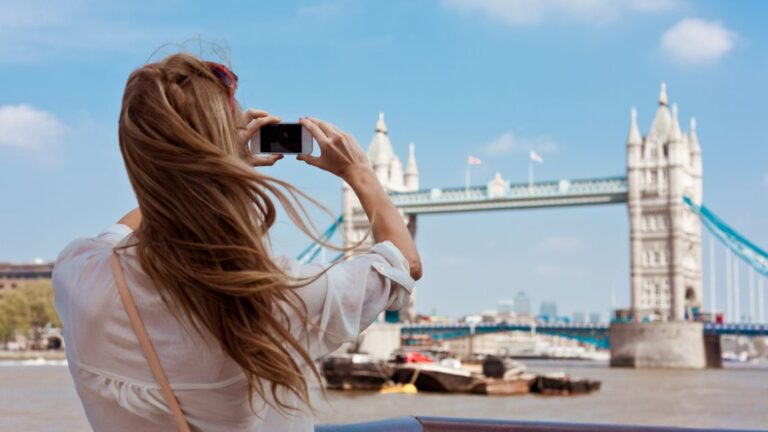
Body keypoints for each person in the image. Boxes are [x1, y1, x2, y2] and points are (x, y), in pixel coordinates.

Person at [52, 53, 422, 432]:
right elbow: (403, 265)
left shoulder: (79, 272)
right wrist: (359, 172)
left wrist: (207, 167)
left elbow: (135, 221)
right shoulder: (275, 295)